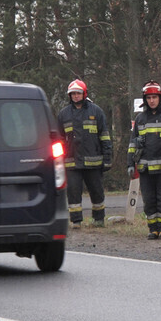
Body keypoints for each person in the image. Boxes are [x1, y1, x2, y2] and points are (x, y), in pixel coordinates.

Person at [57, 79, 112, 227]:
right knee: (73, 193)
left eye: (78, 93)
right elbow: (59, 140)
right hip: (71, 162)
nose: (75, 96)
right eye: (73, 94)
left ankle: (99, 219)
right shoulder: (63, 114)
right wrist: (58, 160)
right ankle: (76, 221)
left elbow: (105, 136)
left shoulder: (96, 111)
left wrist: (107, 158)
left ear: (84, 93)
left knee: (97, 191)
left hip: (94, 162)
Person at [127, 80, 161, 239]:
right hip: (145, 168)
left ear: (160, 98)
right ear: (145, 99)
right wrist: (130, 163)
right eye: (149, 98)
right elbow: (133, 143)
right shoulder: (140, 119)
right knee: (149, 199)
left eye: (154, 97)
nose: (152, 100)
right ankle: (152, 229)